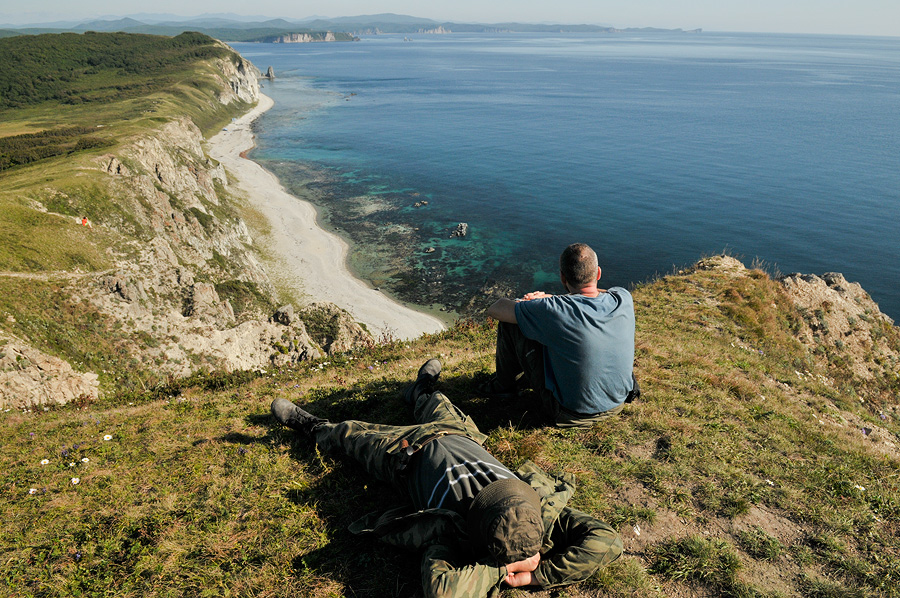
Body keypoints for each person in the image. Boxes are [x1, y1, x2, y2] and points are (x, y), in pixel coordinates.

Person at [270, 359, 622, 598]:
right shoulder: (537, 514)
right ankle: (421, 387)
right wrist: (534, 567)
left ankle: (311, 426)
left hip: (403, 453)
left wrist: (522, 574)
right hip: (459, 432)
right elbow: (607, 540)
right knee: (436, 399)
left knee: (349, 434)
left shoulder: (452, 538)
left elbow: (443, 590)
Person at [482, 243, 638, 428]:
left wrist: (530, 302)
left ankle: (502, 387)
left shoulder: (554, 310)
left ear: (563, 277)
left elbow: (496, 308)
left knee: (513, 322)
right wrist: (553, 299)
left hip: (570, 413)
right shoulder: (623, 298)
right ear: (598, 273)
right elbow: (599, 293)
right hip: (617, 402)